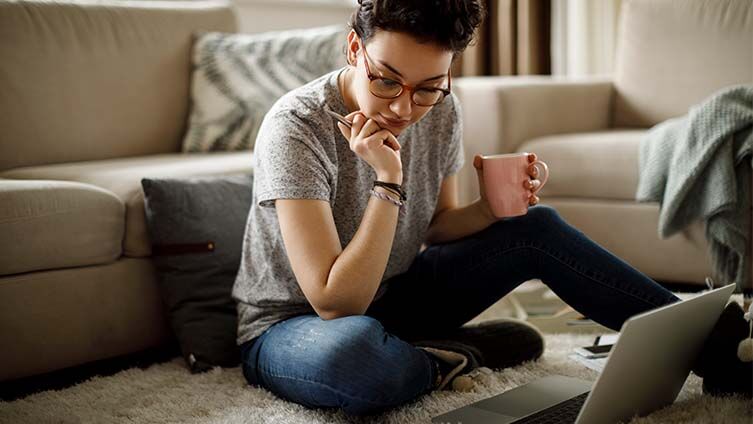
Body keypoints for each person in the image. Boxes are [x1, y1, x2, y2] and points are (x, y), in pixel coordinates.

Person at [232, 0, 752, 416]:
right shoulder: (297, 127)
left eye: (429, 88)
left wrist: (495, 208)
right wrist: (388, 182)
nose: (402, 107)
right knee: (357, 360)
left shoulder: (442, 110)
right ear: (354, 47)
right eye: (386, 80)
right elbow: (334, 302)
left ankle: (712, 345)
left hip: (395, 294)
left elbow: (437, 228)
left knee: (535, 225)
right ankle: (456, 354)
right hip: (293, 326)